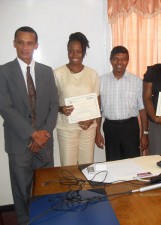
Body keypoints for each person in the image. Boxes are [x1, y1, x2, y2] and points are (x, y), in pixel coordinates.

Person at [0, 26, 58, 225]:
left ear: (36, 45)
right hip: (19, 142)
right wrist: (33, 134)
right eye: (21, 42)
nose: (25, 47)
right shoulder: (3, 72)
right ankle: (25, 222)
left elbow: (53, 105)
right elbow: (5, 108)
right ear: (14, 43)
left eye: (29, 43)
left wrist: (43, 134)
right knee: (21, 189)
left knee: (45, 185)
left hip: (45, 140)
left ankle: (46, 220)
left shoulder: (46, 71)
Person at [54, 32, 100, 166]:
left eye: (78, 52)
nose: (74, 55)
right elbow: (51, 102)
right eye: (71, 51)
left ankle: (86, 188)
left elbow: (96, 101)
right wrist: (61, 109)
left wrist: (91, 120)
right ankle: (72, 189)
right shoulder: (58, 73)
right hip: (66, 127)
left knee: (87, 166)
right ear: (67, 52)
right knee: (69, 168)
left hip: (88, 127)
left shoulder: (92, 74)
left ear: (84, 52)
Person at [96, 46, 148, 161]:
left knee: (133, 163)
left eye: (123, 59)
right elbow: (98, 110)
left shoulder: (137, 81)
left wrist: (145, 134)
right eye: (116, 59)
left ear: (127, 61)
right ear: (110, 60)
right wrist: (97, 132)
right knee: (113, 163)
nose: (119, 62)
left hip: (131, 127)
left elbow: (142, 109)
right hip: (110, 128)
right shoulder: (100, 81)